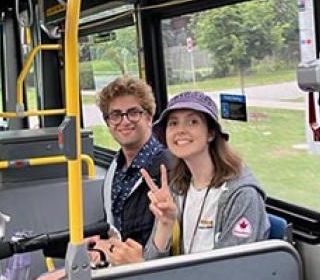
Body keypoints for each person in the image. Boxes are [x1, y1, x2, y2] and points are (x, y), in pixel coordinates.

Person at [24, 76, 172, 280]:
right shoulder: (117, 166)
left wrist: (108, 250)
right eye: (115, 115)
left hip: (140, 270)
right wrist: (102, 245)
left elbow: (153, 240)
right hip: (113, 258)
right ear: (108, 122)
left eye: (134, 113)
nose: (124, 121)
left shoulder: (164, 168)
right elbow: (115, 225)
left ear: (150, 117)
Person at [105, 90, 270, 265]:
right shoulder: (176, 188)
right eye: (173, 123)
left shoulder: (242, 195)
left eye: (193, 122)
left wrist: (139, 266)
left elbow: (230, 274)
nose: (180, 130)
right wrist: (165, 224)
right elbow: (152, 261)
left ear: (211, 133)